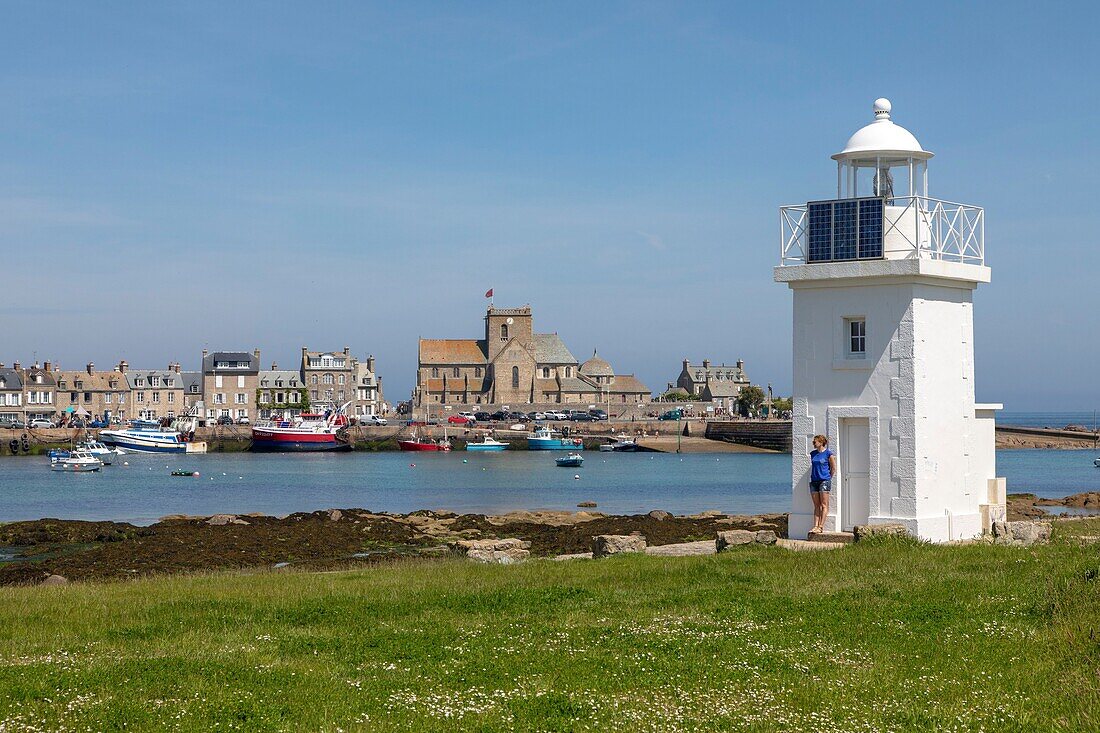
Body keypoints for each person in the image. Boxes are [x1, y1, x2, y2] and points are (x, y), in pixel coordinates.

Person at [809, 434, 837, 534]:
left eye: (815, 441)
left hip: (824, 480)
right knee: (817, 505)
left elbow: (833, 468)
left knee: (824, 504)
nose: (814, 443)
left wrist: (827, 477)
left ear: (821, 442)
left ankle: (821, 526)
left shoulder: (828, 454)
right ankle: (815, 525)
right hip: (814, 481)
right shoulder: (812, 454)